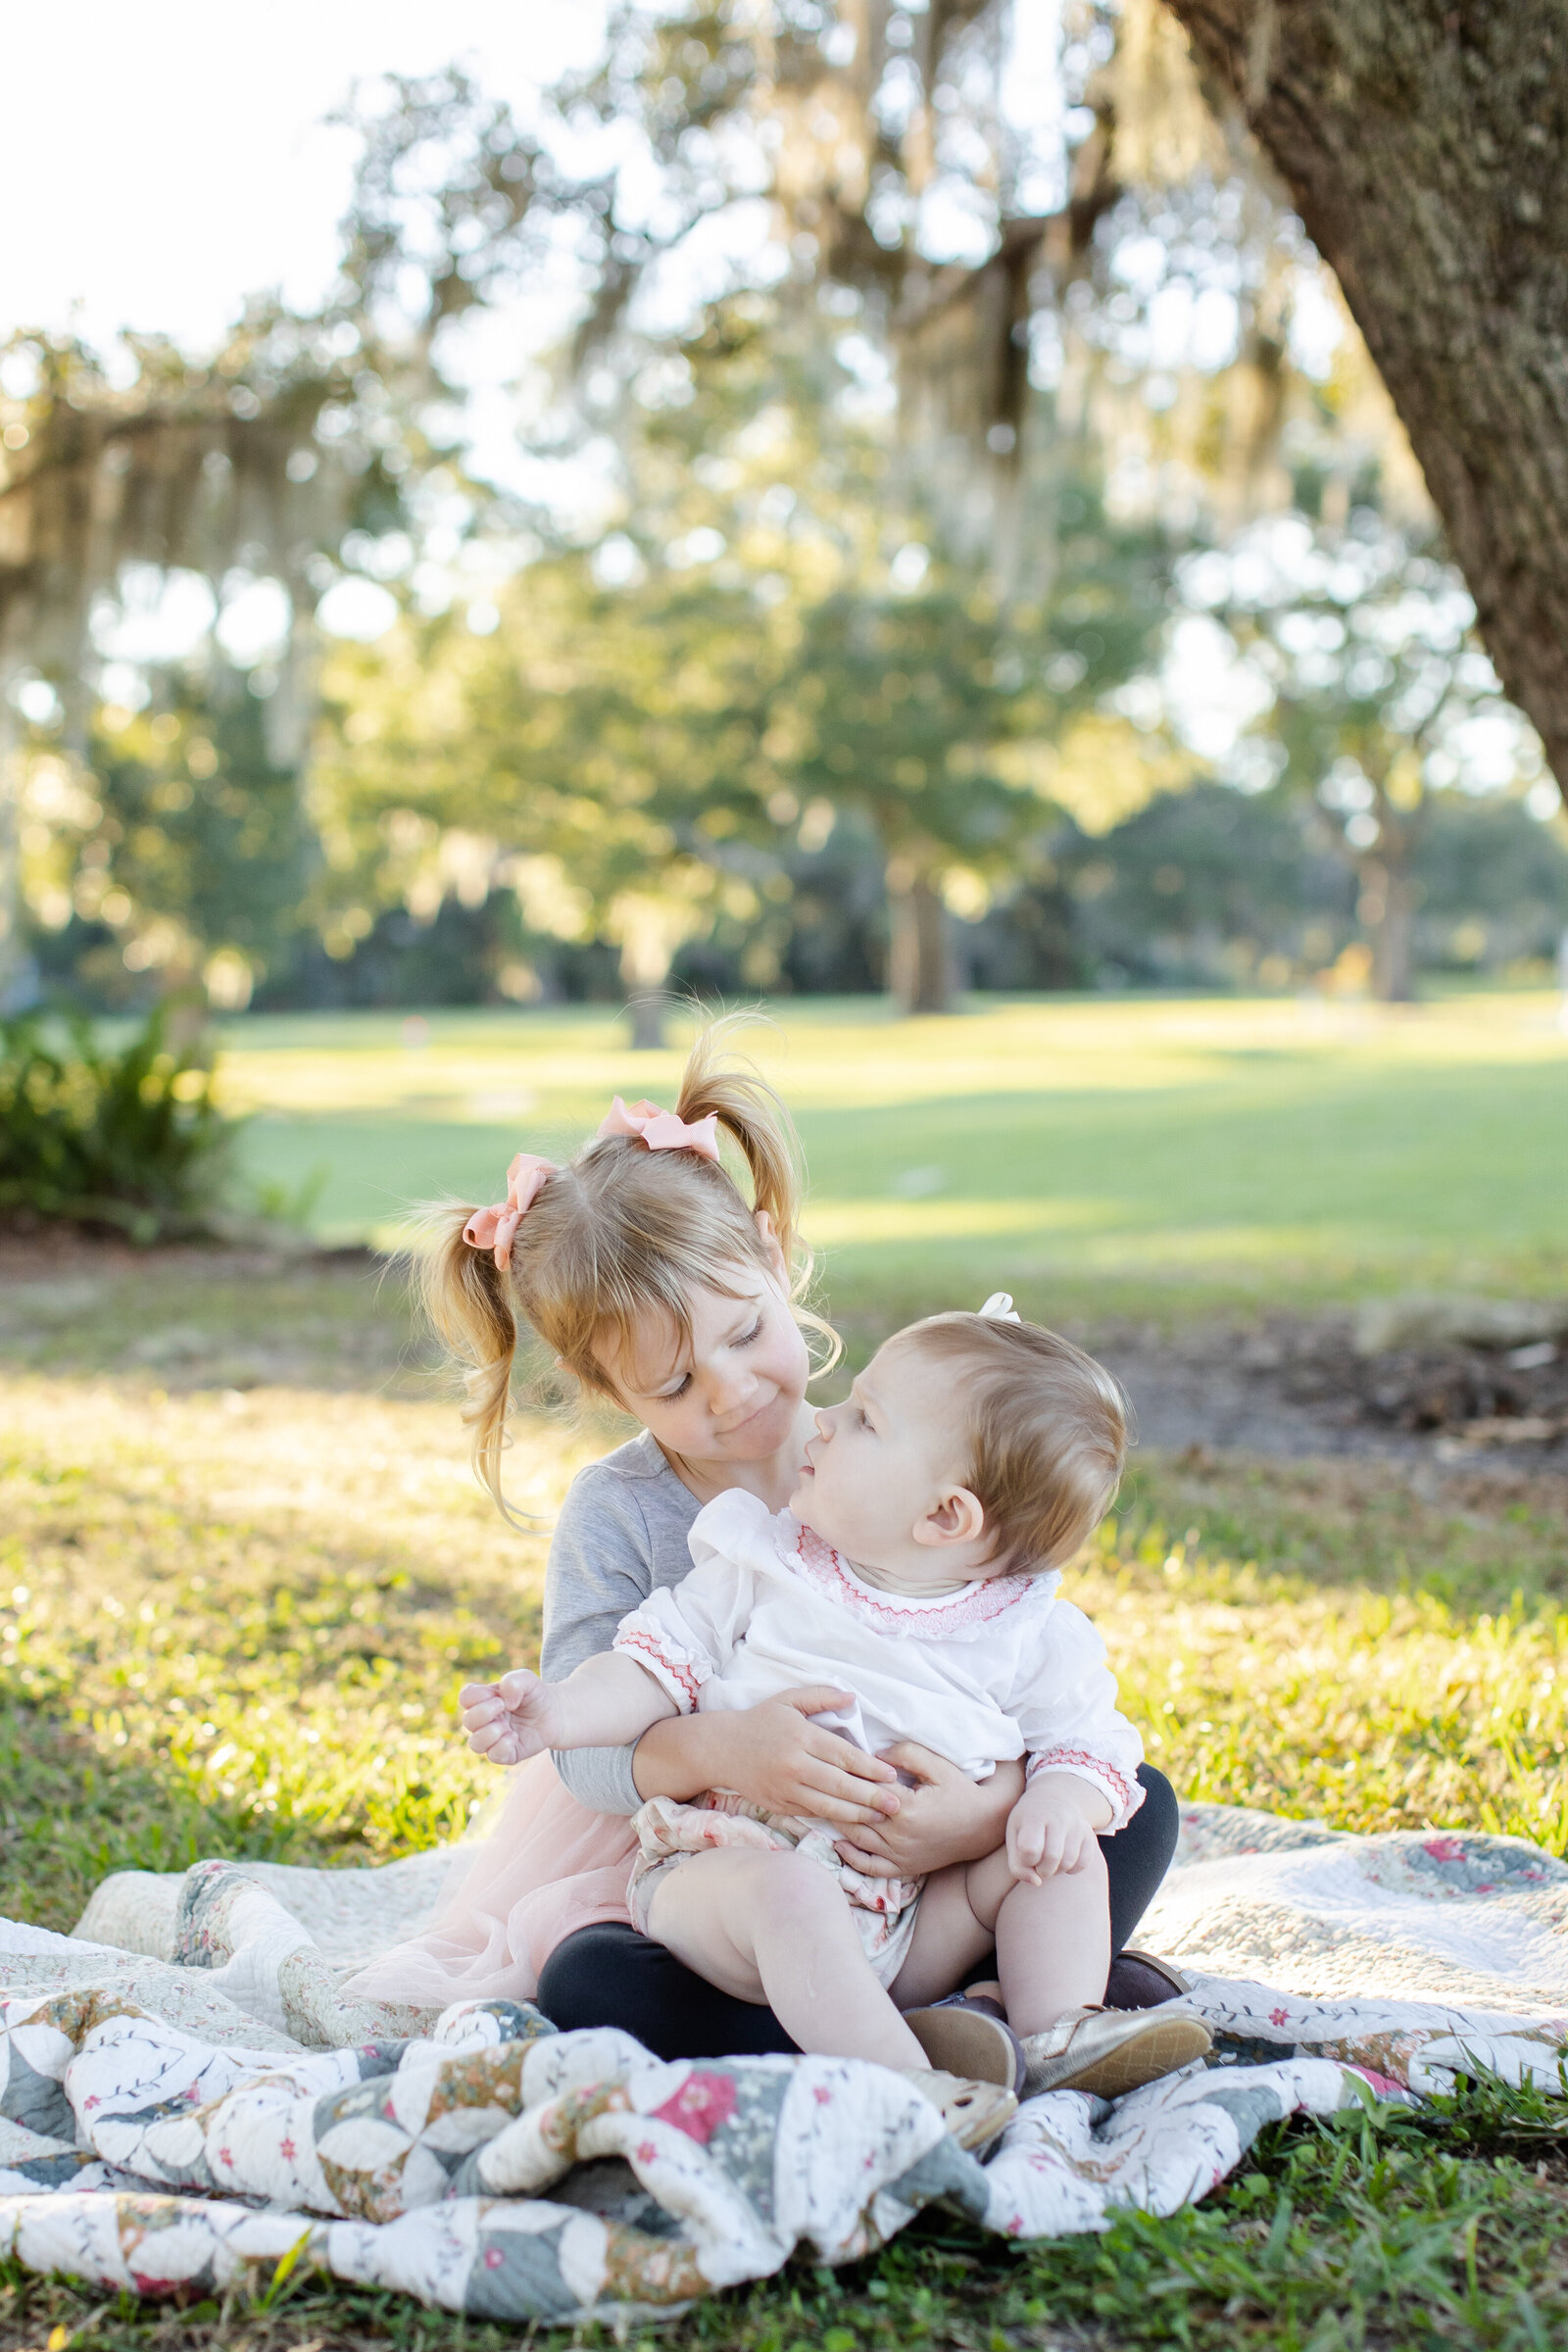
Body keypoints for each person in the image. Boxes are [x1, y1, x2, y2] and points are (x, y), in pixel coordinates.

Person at [345, 1023, 1182, 2068]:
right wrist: (722, 1749)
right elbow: (590, 1757)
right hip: (717, 1855)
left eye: (745, 1335)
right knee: (592, 1977)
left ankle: (1004, 2002)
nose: (731, 1393)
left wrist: (981, 1819)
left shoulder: (883, 1453)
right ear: (609, 1391)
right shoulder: (624, 1515)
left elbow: (1005, 1664)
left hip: (913, 1852)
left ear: (774, 1263)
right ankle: (932, 2024)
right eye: (673, 1386)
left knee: (1130, 1810)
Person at [461, 1302, 1210, 2123]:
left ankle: (1058, 2033)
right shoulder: (765, 1559)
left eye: (862, 1421)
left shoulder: (1030, 1627)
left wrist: (1046, 1807)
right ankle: (911, 2081)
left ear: (943, 1516)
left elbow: (1090, 1746)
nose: (827, 1425)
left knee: (1076, 1852)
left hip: (917, 1908)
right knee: (643, 1957)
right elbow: (651, 1664)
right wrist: (559, 1711)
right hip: (735, 1871)